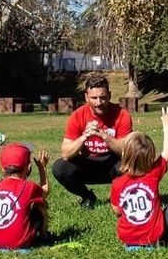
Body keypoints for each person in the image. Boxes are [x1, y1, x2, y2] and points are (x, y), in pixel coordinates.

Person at [53, 73, 133, 209]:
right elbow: (66, 153)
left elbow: (126, 150)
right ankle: (87, 197)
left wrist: (104, 135)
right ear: (86, 97)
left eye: (103, 97)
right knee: (59, 168)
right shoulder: (77, 116)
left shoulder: (122, 115)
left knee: (132, 163)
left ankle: (121, 198)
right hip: (87, 163)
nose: (98, 103)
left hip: (113, 164)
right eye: (94, 98)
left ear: (109, 95)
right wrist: (84, 136)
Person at [110, 107, 168, 246]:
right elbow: (167, 151)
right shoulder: (153, 174)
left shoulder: (117, 183)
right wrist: (167, 126)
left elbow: (117, 211)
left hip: (128, 239)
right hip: (156, 236)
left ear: (123, 155)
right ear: (150, 158)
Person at [0, 144, 50, 250]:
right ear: (29, 167)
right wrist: (42, 168)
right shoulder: (29, 187)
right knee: (41, 203)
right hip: (21, 242)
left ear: (3, 169)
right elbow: (45, 190)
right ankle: (44, 236)